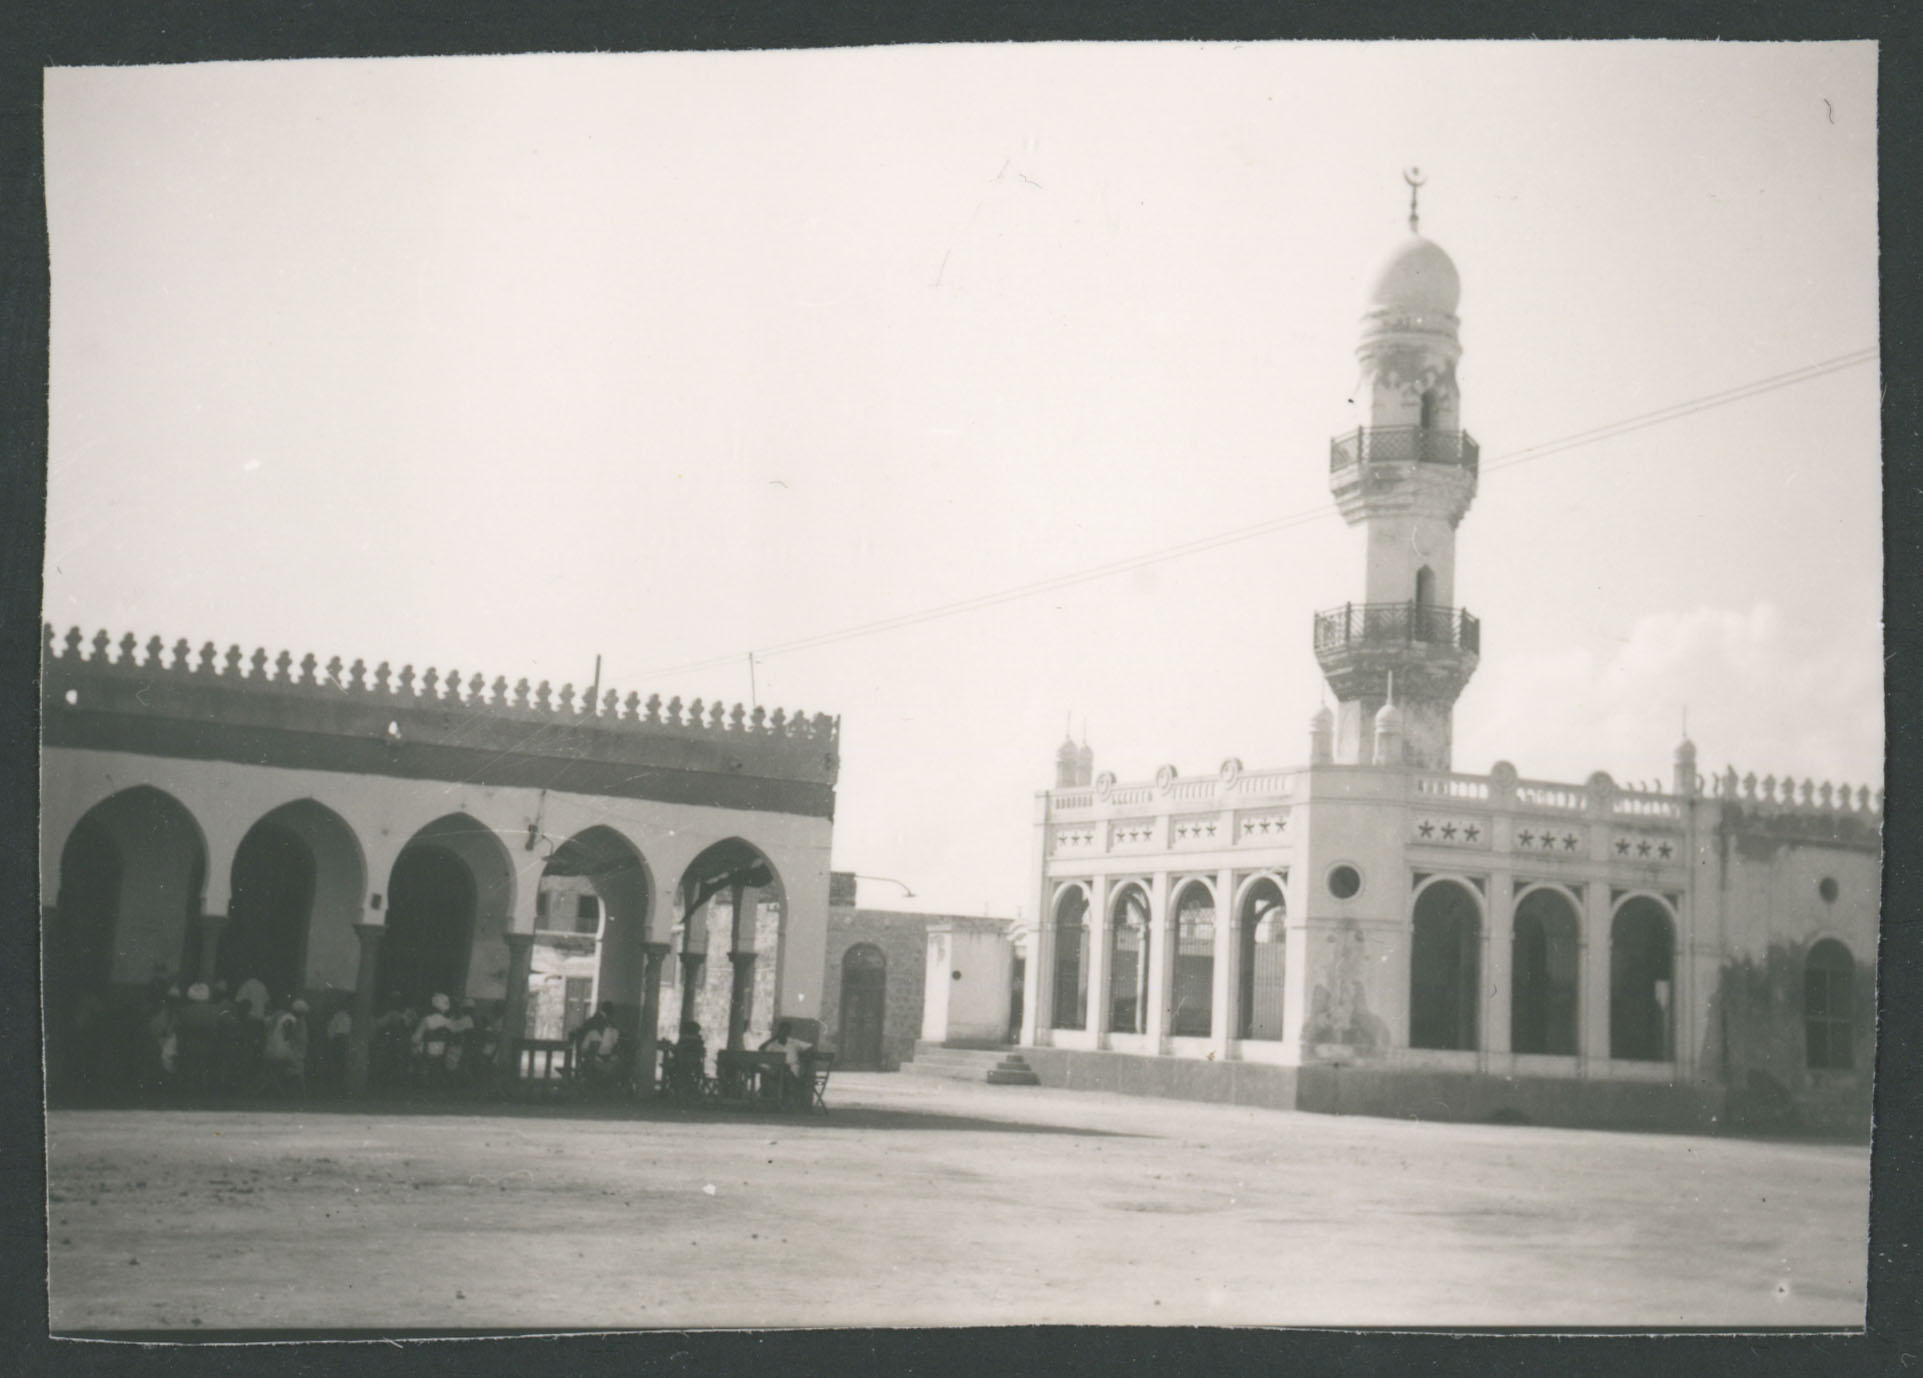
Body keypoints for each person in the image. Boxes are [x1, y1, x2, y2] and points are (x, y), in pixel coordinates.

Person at [759, 1020, 813, 1109]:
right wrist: (772, 1039)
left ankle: (786, 1101)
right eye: (781, 1031)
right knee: (768, 1071)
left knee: (786, 1070)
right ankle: (778, 1101)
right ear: (778, 1031)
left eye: (786, 1031)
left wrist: (805, 1059)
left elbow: (810, 1047)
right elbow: (761, 1049)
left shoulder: (794, 1042)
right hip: (776, 1070)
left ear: (788, 1032)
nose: (783, 1033)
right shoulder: (773, 1044)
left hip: (792, 1069)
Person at [263, 999, 309, 1095]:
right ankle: (300, 1093)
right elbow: (287, 1036)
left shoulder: (280, 1015)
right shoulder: (292, 1019)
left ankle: (284, 1089)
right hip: (282, 1053)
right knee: (299, 1065)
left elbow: (267, 1024)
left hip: (269, 1051)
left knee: (286, 1067)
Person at [412, 993, 456, 1086]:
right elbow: (452, 1038)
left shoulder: (426, 1020)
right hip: (443, 1051)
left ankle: (422, 1073)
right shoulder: (449, 1021)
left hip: (427, 1051)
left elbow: (416, 1038)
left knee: (414, 1047)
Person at [666, 1021, 706, 1101]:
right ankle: (687, 1089)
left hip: (682, 1064)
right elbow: (702, 1053)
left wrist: (673, 1048)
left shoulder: (684, 1039)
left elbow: (677, 1050)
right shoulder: (698, 1041)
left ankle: (677, 1089)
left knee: (671, 1069)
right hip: (694, 1064)